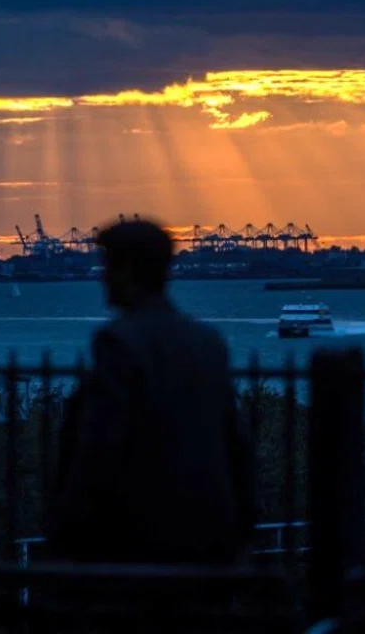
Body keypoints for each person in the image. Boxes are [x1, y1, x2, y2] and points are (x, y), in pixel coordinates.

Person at [47, 217, 254, 566]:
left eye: (108, 265)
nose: (103, 277)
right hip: (209, 534)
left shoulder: (119, 342)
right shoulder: (208, 342)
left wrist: (70, 524)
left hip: (140, 541)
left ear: (126, 270)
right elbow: (237, 442)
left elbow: (101, 447)